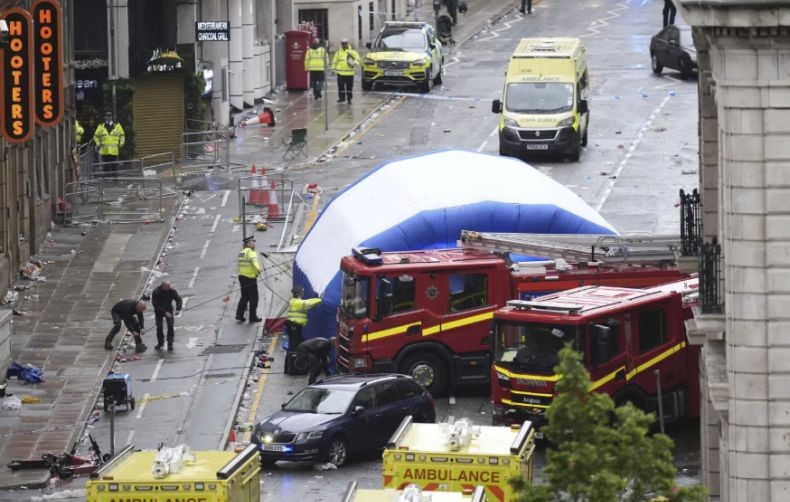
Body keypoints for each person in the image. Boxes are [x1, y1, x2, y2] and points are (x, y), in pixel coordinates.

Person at [285, 287, 323, 368]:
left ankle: (290, 366)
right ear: (299, 293)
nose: (303, 293)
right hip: (294, 326)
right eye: (302, 291)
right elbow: (308, 303)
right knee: (296, 346)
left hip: (294, 326)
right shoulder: (298, 303)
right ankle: (294, 366)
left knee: (296, 345)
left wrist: (317, 299)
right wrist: (320, 299)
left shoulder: (295, 301)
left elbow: (308, 302)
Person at [236, 236, 262, 323]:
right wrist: (259, 270)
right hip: (250, 278)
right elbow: (254, 262)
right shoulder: (251, 252)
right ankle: (253, 317)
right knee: (254, 299)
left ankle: (239, 315)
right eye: (252, 242)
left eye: (254, 241)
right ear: (248, 244)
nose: (254, 243)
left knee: (244, 297)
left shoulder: (241, 252)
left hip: (242, 277)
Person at [151, 281, 183, 351]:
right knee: (159, 326)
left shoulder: (171, 291)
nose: (169, 289)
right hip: (159, 310)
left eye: (169, 287)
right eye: (167, 287)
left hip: (169, 309)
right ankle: (160, 343)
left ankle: (170, 343)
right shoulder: (156, 292)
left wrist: (178, 309)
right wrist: (165, 312)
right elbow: (155, 305)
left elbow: (178, 299)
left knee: (170, 325)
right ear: (163, 286)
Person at [93, 111, 125, 178]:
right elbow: (96, 136)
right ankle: (107, 179)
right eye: (107, 116)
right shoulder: (101, 126)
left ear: (112, 117)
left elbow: (122, 135)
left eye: (110, 116)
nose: (108, 117)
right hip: (105, 150)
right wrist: (98, 143)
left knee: (114, 166)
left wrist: (121, 143)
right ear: (105, 117)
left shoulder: (117, 126)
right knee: (106, 166)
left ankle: (115, 179)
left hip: (114, 150)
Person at [331, 39, 361, 104]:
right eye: (343, 44)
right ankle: (341, 98)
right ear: (341, 44)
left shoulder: (353, 52)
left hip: (349, 73)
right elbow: (334, 62)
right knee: (340, 86)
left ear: (347, 44)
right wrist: (333, 69)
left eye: (345, 43)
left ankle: (349, 99)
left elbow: (358, 60)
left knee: (349, 87)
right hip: (340, 73)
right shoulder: (338, 53)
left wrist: (353, 63)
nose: (344, 45)